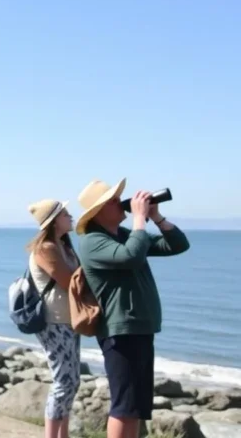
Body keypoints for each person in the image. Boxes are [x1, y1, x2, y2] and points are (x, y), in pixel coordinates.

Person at [76, 179, 190, 438]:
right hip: (120, 330)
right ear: (98, 211)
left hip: (139, 326)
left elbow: (178, 245)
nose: (122, 203)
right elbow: (131, 256)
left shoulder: (125, 235)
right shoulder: (92, 241)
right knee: (123, 405)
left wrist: (157, 218)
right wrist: (139, 220)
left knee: (137, 407)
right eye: (114, 201)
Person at [25, 199, 81, 438]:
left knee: (72, 381)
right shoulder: (46, 249)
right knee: (62, 382)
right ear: (54, 221)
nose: (71, 216)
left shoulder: (63, 246)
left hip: (69, 320)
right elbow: (70, 282)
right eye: (65, 214)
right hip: (54, 321)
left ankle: (63, 434)